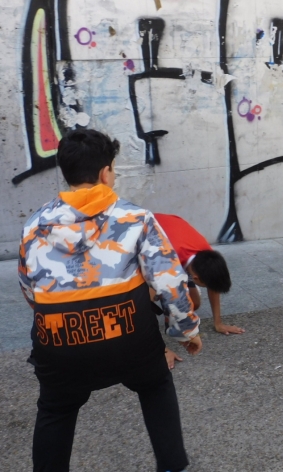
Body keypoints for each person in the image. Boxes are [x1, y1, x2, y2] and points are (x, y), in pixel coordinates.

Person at [18, 128, 201, 472]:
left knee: (55, 408)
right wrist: (187, 331)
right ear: (105, 173)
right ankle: (172, 465)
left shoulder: (34, 225)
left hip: (60, 342)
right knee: (156, 383)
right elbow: (170, 282)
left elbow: (29, 291)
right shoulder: (136, 218)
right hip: (128, 339)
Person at [154, 213, 244, 370]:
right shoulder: (166, 261)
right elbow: (141, 307)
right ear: (195, 277)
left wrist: (218, 323)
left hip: (175, 233)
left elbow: (212, 284)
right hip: (150, 233)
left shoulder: (207, 253)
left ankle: (172, 316)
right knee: (152, 296)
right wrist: (161, 350)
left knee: (192, 303)